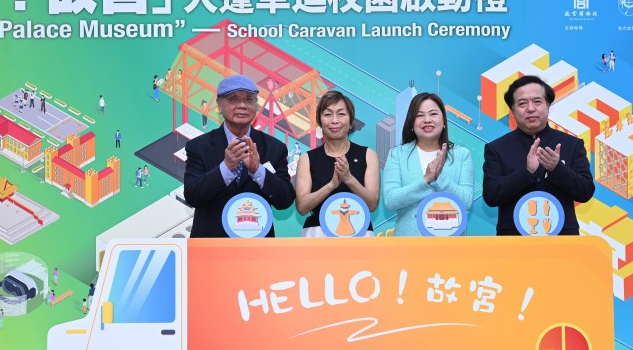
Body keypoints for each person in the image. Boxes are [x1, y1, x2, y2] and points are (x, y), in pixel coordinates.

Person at [183, 74, 295, 237]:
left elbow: (284, 200)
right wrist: (226, 168)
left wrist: (258, 171)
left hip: (257, 248)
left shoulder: (274, 148)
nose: (242, 105)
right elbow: (193, 196)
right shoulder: (199, 146)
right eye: (233, 99)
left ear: (255, 106)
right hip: (210, 246)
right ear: (219, 105)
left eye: (249, 100)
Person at [482, 75, 595, 235]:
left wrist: (557, 169)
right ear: (512, 110)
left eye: (537, 101)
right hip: (515, 242)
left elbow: (585, 192)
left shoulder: (571, 144)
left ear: (548, 105)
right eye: (522, 103)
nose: (530, 109)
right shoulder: (497, 148)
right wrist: (526, 172)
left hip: (563, 242)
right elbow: (491, 196)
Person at [382, 92, 474, 236]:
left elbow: (466, 202)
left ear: (443, 121)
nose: (427, 120)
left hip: (450, 248)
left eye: (433, 114)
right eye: (420, 115)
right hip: (408, 247)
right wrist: (426, 180)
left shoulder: (462, 155)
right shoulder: (397, 154)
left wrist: (439, 179)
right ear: (412, 123)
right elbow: (391, 201)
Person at [295, 91, 380, 237]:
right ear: (320, 121)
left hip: (360, 232)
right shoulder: (307, 159)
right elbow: (302, 207)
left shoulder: (368, 155)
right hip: (317, 233)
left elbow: (372, 204)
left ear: (351, 121)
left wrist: (349, 179)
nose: (334, 120)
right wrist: (331, 185)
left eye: (341, 114)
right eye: (328, 114)